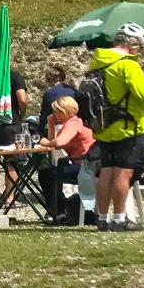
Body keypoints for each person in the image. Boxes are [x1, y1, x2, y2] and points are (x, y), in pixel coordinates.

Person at [87, 23, 144, 233]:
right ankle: (120, 219)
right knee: (124, 173)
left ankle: (102, 219)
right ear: (133, 43)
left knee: (106, 172)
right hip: (128, 127)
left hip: (104, 127)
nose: (138, 51)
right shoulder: (128, 65)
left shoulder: (98, 63)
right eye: (138, 47)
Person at [38, 96, 94, 225]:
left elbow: (59, 142)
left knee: (47, 175)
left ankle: (58, 211)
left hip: (87, 166)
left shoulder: (74, 123)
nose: (53, 114)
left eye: (55, 111)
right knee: (48, 173)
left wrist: (45, 142)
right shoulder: (69, 124)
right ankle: (58, 211)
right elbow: (55, 144)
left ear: (63, 112)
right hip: (84, 164)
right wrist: (51, 124)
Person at [38, 65, 78, 134]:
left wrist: (39, 131)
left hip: (59, 127)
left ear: (49, 79)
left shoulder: (49, 93)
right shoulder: (73, 90)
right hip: (75, 124)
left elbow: (44, 116)